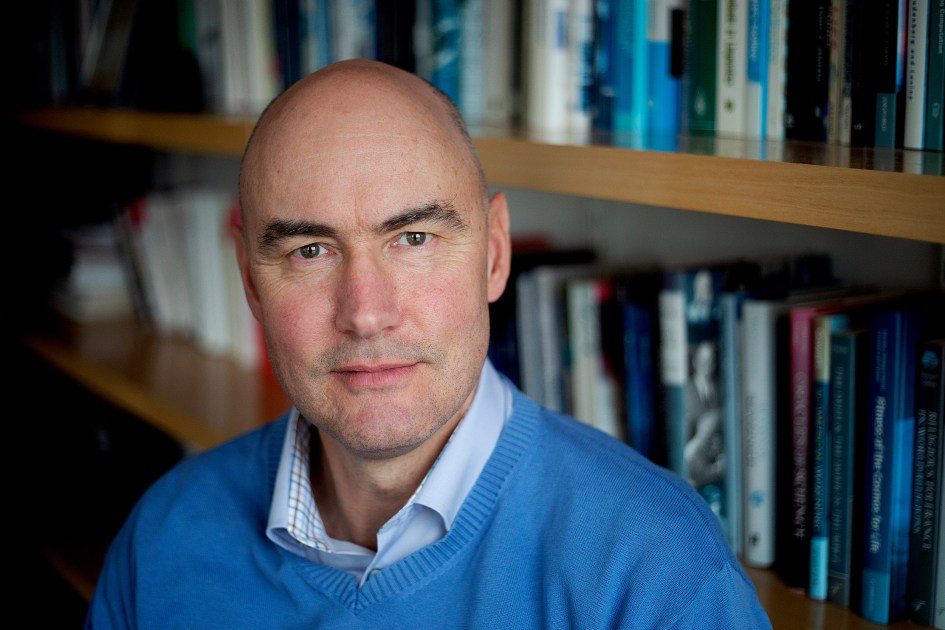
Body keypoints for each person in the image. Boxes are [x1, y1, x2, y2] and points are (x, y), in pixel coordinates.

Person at [86, 59, 772, 629]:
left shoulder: (658, 575)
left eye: (413, 238)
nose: (366, 313)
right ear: (251, 285)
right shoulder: (162, 540)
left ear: (494, 255)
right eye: (310, 250)